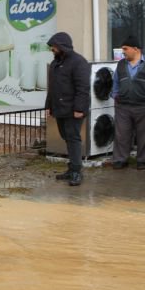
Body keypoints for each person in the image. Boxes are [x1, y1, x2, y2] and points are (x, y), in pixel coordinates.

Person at [46, 31, 90, 186]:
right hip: (59, 109)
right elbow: (52, 87)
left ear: (62, 46)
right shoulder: (55, 63)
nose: (52, 49)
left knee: (73, 139)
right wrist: (49, 106)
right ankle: (71, 169)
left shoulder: (79, 62)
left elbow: (83, 88)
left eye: (54, 46)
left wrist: (79, 108)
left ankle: (77, 171)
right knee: (67, 138)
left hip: (73, 110)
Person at [110, 36, 145, 170]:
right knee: (121, 134)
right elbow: (115, 81)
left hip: (144, 105)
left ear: (136, 49)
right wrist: (115, 95)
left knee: (144, 135)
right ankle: (120, 159)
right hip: (123, 106)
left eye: (125, 49)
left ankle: (143, 160)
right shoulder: (121, 64)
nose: (123, 52)